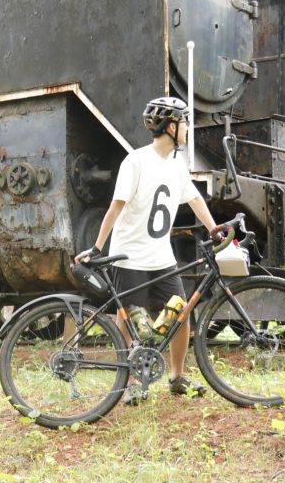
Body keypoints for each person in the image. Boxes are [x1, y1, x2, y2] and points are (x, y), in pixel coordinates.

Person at [77, 96, 218, 404]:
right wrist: (97, 247)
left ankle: (177, 377)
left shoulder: (177, 165)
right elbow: (116, 207)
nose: (188, 128)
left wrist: (213, 229)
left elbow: (194, 199)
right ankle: (127, 383)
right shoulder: (136, 161)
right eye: (185, 122)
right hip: (130, 257)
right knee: (128, 322)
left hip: (161, 257)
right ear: (171, 127)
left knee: (180, 313)